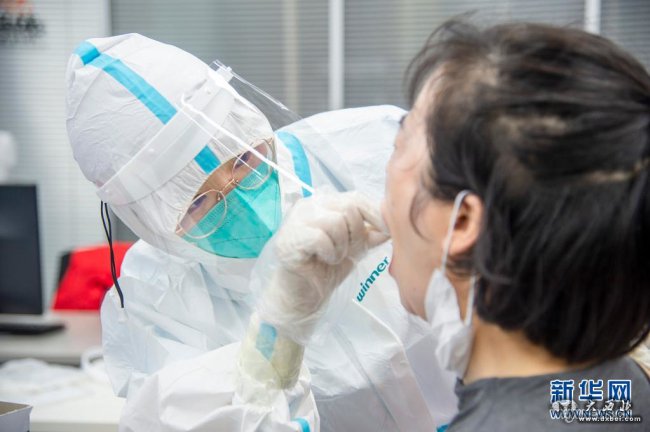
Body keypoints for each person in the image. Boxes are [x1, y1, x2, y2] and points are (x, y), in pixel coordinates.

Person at [269, 19, 650, 430]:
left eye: (399, 145)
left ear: (463, 221)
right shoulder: (618, 387)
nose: (381, 176)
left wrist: (278, 334)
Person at [65, 34, 457, 431]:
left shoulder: (372, 145)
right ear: (150, 223)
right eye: (199, 204)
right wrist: (278, 330)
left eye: (244, 159)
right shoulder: (155, 296)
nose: (241, 202)